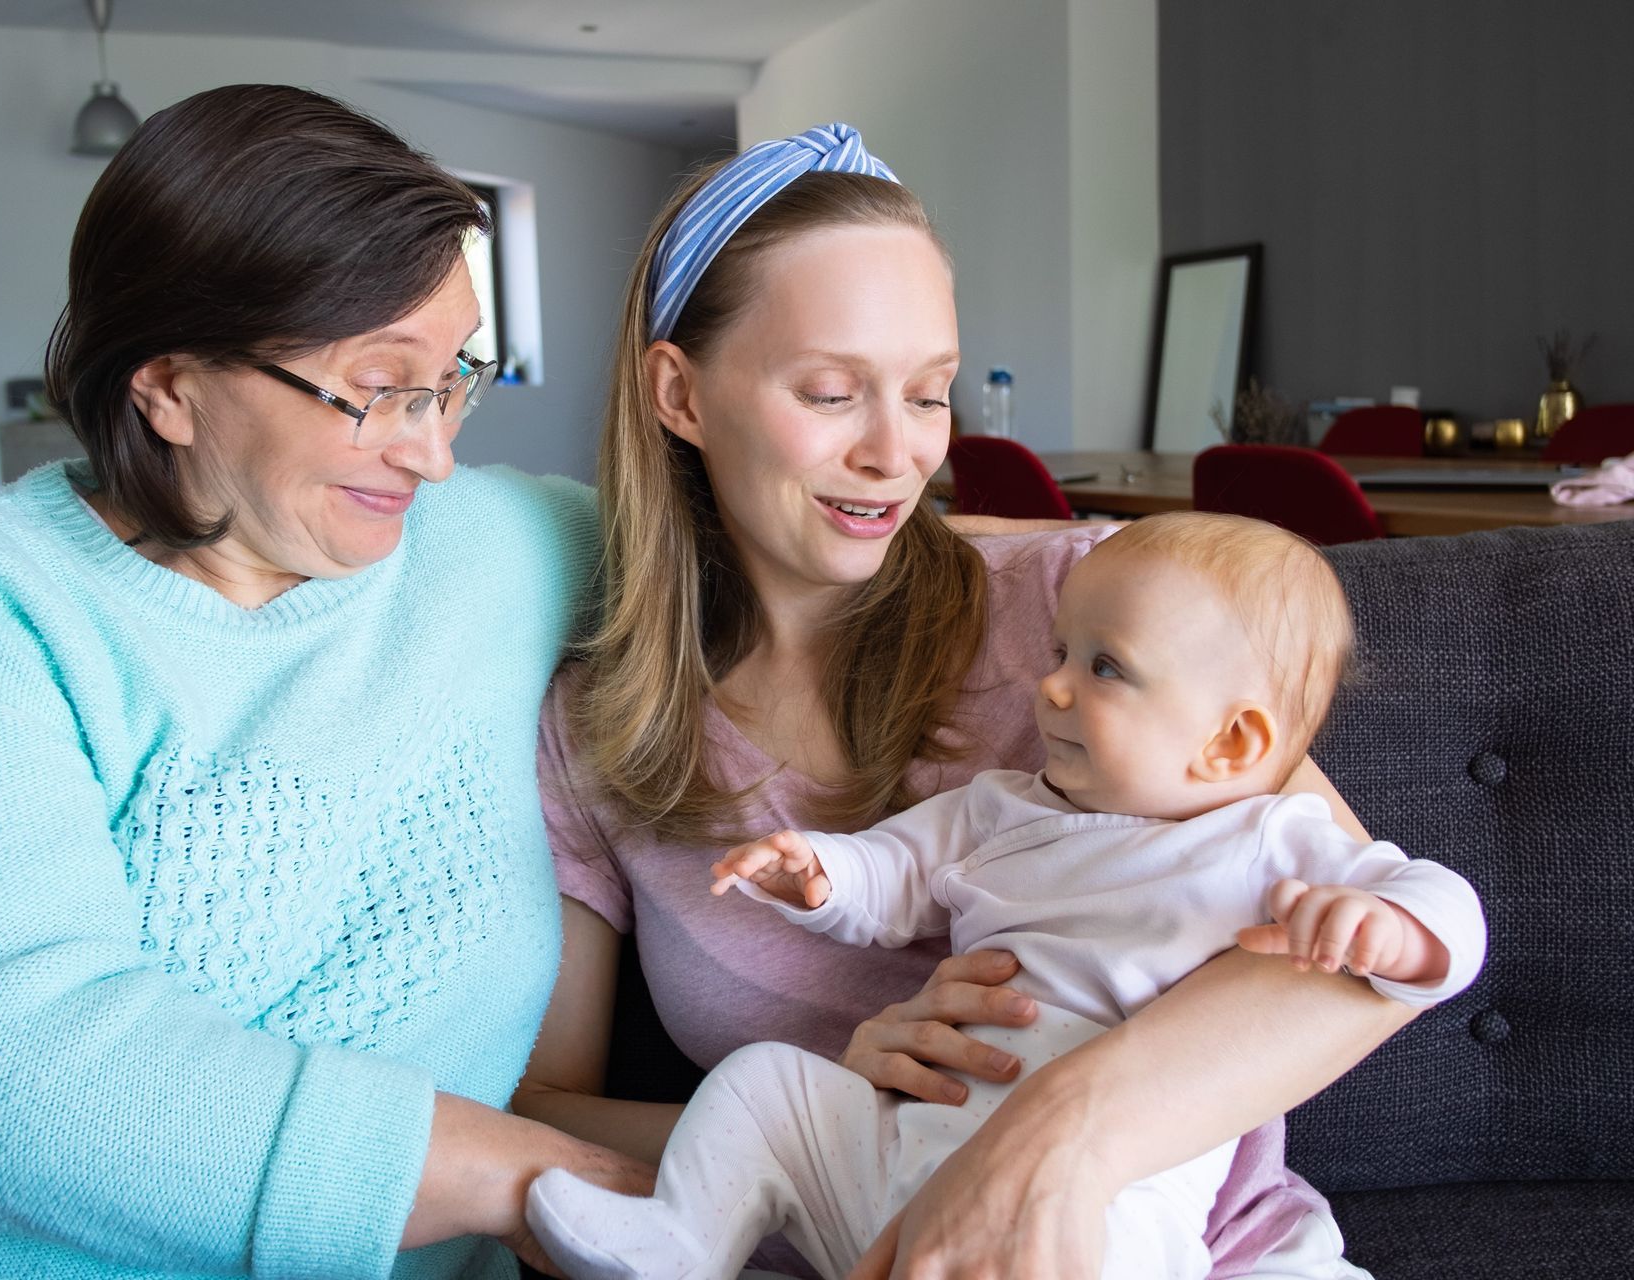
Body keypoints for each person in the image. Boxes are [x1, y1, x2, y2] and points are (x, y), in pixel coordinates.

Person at [0, 85, 651, 1280]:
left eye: (455, 375)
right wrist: (545, 1180)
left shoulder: (496, 547)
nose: (434, 447)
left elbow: (764, 553)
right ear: (168, 385)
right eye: (376, 386)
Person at [510, 125, 1431, 1280]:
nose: (899, 454)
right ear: (679, 393)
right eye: (833, 391)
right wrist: (847, 1101)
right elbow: (547, 1106)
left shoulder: (1094, 609)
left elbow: (1359, 961)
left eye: (931, 393)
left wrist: (1050, 1141)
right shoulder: (596, 727)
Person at [522, 512, 1487, 1280]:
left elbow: (1444, 904)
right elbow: (893, 870)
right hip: (909, 1149)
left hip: (1117, 1189)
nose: (1051, 688)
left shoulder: (1267, 839)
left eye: (1103, 669)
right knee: (766, 1086)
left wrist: (1393, 927)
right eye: (1061, 653)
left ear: (1230, 745)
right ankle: (685, 1244)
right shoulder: (1003, 810)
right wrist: (819, 876)